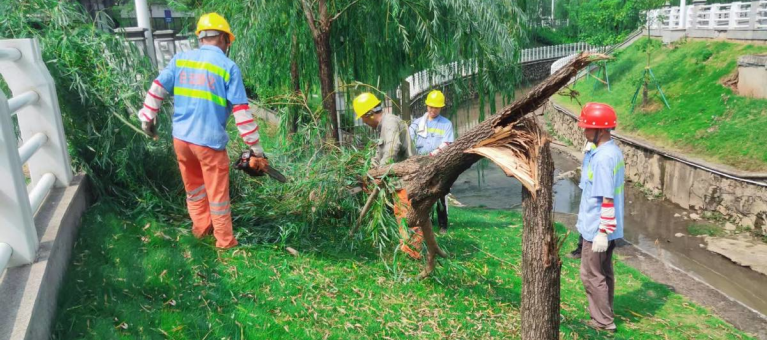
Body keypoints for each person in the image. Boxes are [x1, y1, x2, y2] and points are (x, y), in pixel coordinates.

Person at [136, 13, 268, 249]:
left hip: (182, 140)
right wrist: (255, 148)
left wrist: (147, 118)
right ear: (224, 39)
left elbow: (157, 87)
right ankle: (225, 242)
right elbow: (241, 112)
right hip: (209, 143)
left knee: (194, 189)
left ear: (202, 37)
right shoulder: (228, 67)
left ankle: (201, 229)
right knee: (218, 197)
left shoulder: (181, 60)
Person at [575, 102, 625, 332]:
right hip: (603, 225)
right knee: (604, 272)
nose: (584, 131)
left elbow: (606, 197)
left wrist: (602, 232)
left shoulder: (604, 158)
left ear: (601, 130)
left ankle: (603, 322)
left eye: (587, 128)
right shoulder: (606, 151)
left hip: (597, 226)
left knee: (591, 275)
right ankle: (606, 314)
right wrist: (588, 154)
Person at [352, 92, 419, 258]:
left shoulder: (389, 123)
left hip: (407, 179)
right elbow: (380, 154)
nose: (364, 122)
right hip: (399, 179)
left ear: (369, 114)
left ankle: (413, 252)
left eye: (363, 118)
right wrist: (370, 171)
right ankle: (408, 247)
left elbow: (391, 149)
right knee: (401, 212)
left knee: (407, 214)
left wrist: (380, 173)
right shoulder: (384, 126)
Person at [409, 90, 454, 234]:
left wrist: (432, 155)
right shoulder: (417, 124)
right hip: (419, 165)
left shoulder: (446, 124)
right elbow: (408, 141)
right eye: (430, 106)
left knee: (440, 193)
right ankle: (423, 221)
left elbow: (447, 143)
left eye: (436, 107)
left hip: (438, 164)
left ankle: (443, 225)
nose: (432, 110)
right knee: (421, 194)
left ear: (441, 108)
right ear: (426, 106)